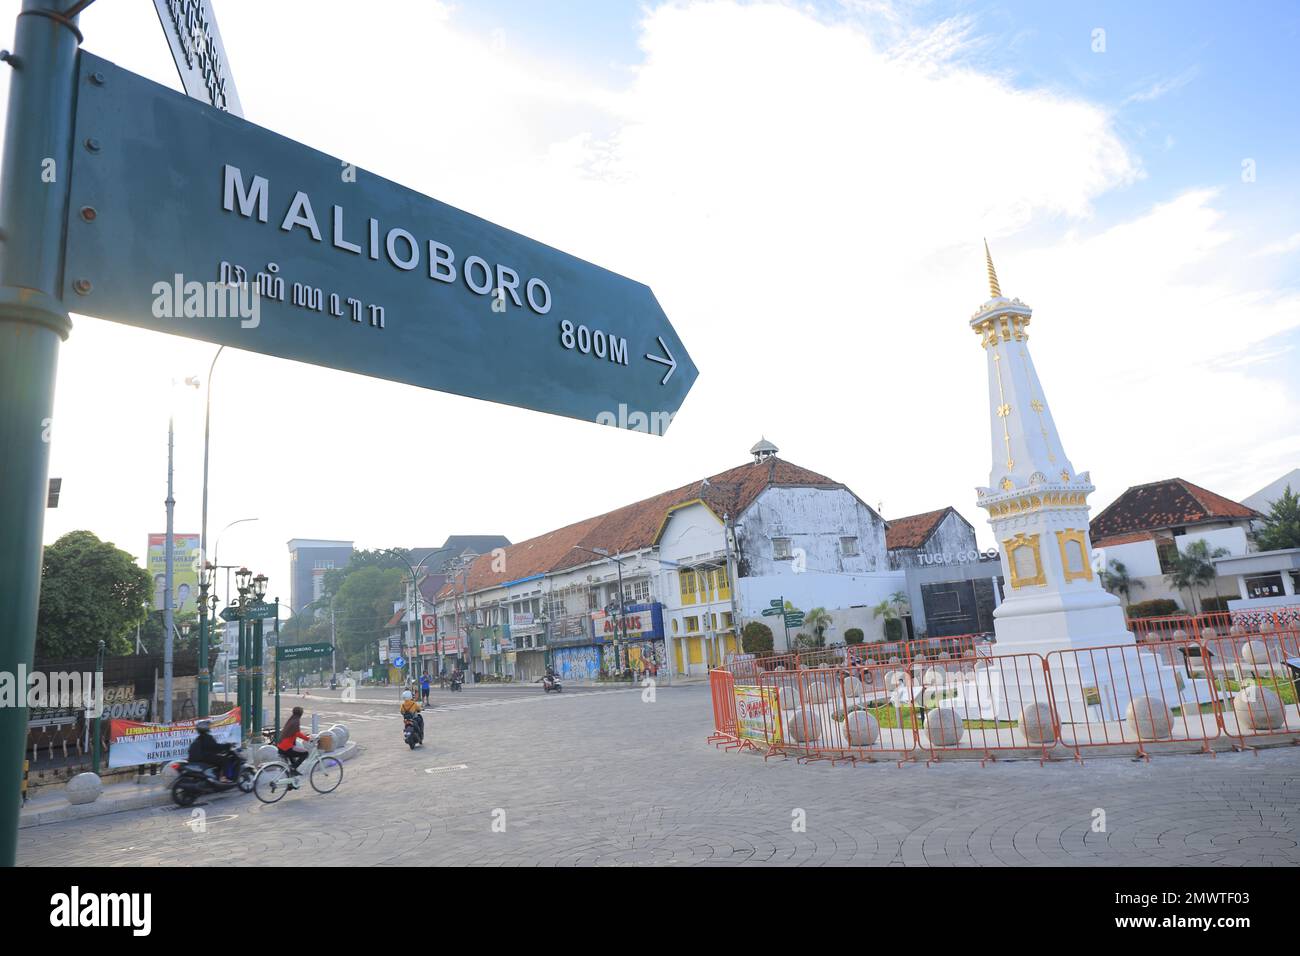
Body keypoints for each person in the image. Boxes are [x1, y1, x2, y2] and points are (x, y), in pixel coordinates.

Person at [276, 706, 311, 775]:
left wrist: (304, 735)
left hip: (281, 747)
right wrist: (308, 739)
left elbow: (293, 733)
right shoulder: (296, 721)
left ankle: (291, 782)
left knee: (293, 764)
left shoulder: (291, 720)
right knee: (305, 753)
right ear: (300, 714)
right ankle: (293, 768)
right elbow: (297, 733)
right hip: (287, 748)